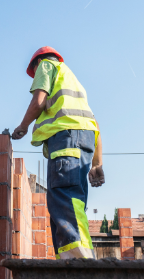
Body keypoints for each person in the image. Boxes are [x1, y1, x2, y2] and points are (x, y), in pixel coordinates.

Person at [11, 47, 104, 259]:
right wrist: (97, 163)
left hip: (66, 140)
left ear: (37, 64)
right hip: (84, 140)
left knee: (65, 200)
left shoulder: (47, 65)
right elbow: (94, 124)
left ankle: (81, 264)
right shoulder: (73, 81)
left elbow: (38, 101)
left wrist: (24, 126)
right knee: (72, 204)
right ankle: (70, 263)